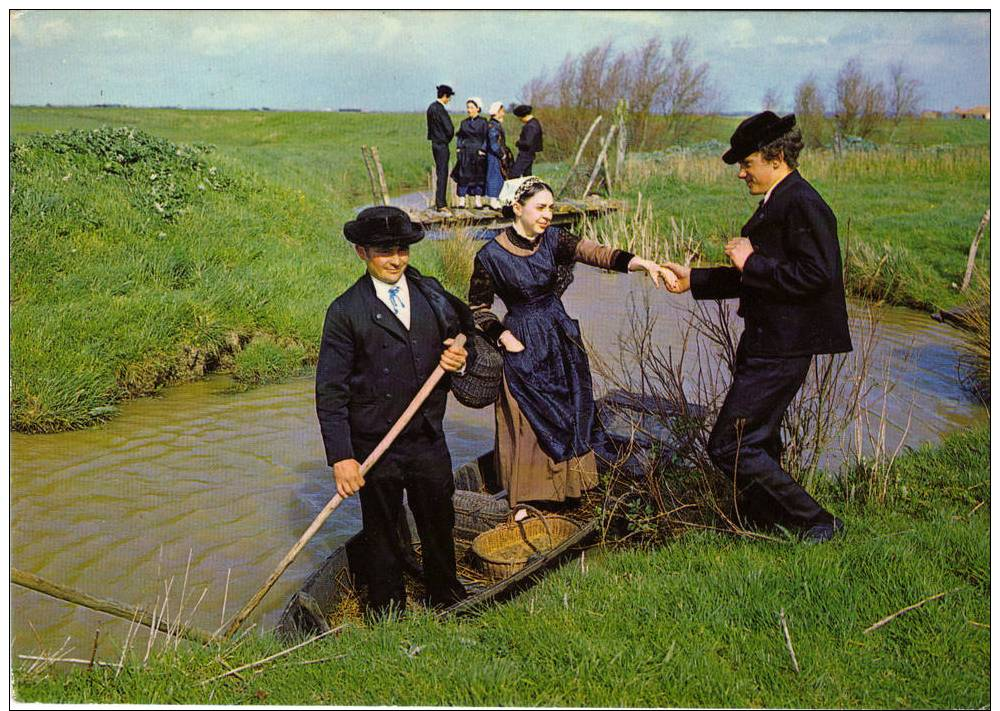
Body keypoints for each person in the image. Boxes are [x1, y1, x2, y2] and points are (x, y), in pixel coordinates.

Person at [663, 111, 852, 543]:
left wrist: (753, 261)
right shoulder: (780, 200)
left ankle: (818, 521)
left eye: (746, 164)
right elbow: (759, 276)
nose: (741, 173)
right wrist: (694, 278)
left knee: (729, 445)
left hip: (782, 348)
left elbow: (818, 275)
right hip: (767, 341)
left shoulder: (803, 202)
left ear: (777, 157)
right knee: (759, 441)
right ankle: (762, 524)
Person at [467, 177, 677, 508]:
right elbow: (477, 308)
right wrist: (502, 336)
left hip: (560, 335)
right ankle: (528, 499)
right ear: (517, 208)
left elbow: (596, 253)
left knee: (571, 408)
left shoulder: (553, 239)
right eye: (541, 207)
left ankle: (571, 488)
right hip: (522, 340)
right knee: (531, 419)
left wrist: (642, 263)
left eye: (551, 207)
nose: (548, 214)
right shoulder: (490, 255)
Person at [316, 206, 474, 617]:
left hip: (425, 436)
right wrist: (342, 458)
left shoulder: (431, 293)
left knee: (438, 517)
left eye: (402, 249)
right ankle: (387, 610)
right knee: (382, 530)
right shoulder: (345, 311)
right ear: (361, 253)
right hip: (375, 444)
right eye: (384, 251)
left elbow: (467, 328)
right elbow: (330, 393)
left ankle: (446, 595)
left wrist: (459, 353)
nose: (396, 259)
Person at [451, 97, 488, 209]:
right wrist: (459, 148)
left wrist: (483, 149)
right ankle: (462, 201)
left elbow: (486, 137)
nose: (469, 110)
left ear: (478, 108)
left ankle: (478, 201)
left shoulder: (483, 122)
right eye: (468, 107)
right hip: (466, 153)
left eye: (472, 107)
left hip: (478, 153)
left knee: (478, 176)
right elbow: (460, 137)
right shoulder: (464, 123)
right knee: (463, 176)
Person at [426, 84, 455, 212]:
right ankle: (441, 204)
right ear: (444, 96)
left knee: (439, 171)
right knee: (443, 173)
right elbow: (450, 129)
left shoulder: (431, 108)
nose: (449, 100)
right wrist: (447, 139)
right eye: (449, 97)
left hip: (434, 144)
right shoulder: (441, 109)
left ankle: (440, 202)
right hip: (442, 144)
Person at [484, 102, 512, 210]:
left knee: (498, 176)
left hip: (496, 154)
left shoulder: (494, 124)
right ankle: (493, 200)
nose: (504, 113)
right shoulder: (493, 125)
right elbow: (493, 143)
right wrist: (502, 154)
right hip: (494, 155)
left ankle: (496, 199)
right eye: (502, 111)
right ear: (497, 112)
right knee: (494, 176)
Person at [510, 105, 543, 178]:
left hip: (525, 155)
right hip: (530, 154)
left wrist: (518, 143)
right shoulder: (535, 122)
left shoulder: (530, 126)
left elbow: (528, 143)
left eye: (519, 117)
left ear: (522, 116)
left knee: (514, 174)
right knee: (527, 176)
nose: (519, 120)